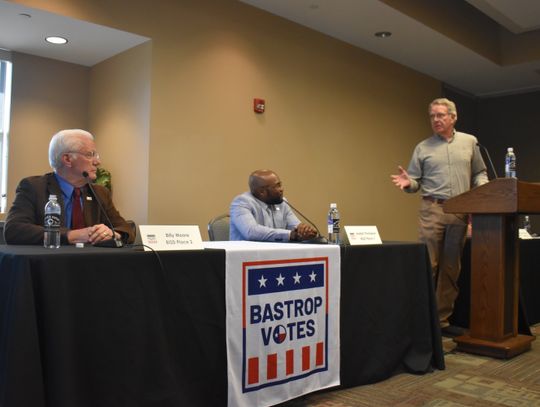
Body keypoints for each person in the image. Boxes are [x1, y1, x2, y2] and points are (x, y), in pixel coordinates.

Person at [391, 98, 488, 337]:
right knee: (428, 265)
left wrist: (483, 192)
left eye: (441, 115)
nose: (435, 119)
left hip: (459, 213)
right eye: (432, 116)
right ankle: (421, 320)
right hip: (432, 210)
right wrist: (408, 183)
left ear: (453, 117)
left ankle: (442, 321)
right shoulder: (422, 147)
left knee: (450, 268)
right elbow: (414, 182)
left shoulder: (470, 142)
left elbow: (479, 172)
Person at [4, 129, 135, 245]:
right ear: (67, 159)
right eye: (90, 154)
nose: (97, 162)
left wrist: (113, 234)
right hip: (48, 265)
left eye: (96, 155)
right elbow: (14, 230)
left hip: (92, 265)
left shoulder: (99, 192)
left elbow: (125, 229)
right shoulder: (34, 187)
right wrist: (71, 235)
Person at [230, 169, 318, 242]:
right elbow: (251, 232)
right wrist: (290, 235)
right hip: (247, 258)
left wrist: (305, 231)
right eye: (277, 186)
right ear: (262, 192)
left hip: (275, 256)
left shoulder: (282, 202)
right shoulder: (242, 202)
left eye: (280, 185)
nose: (281, 189)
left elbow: (296, 227)